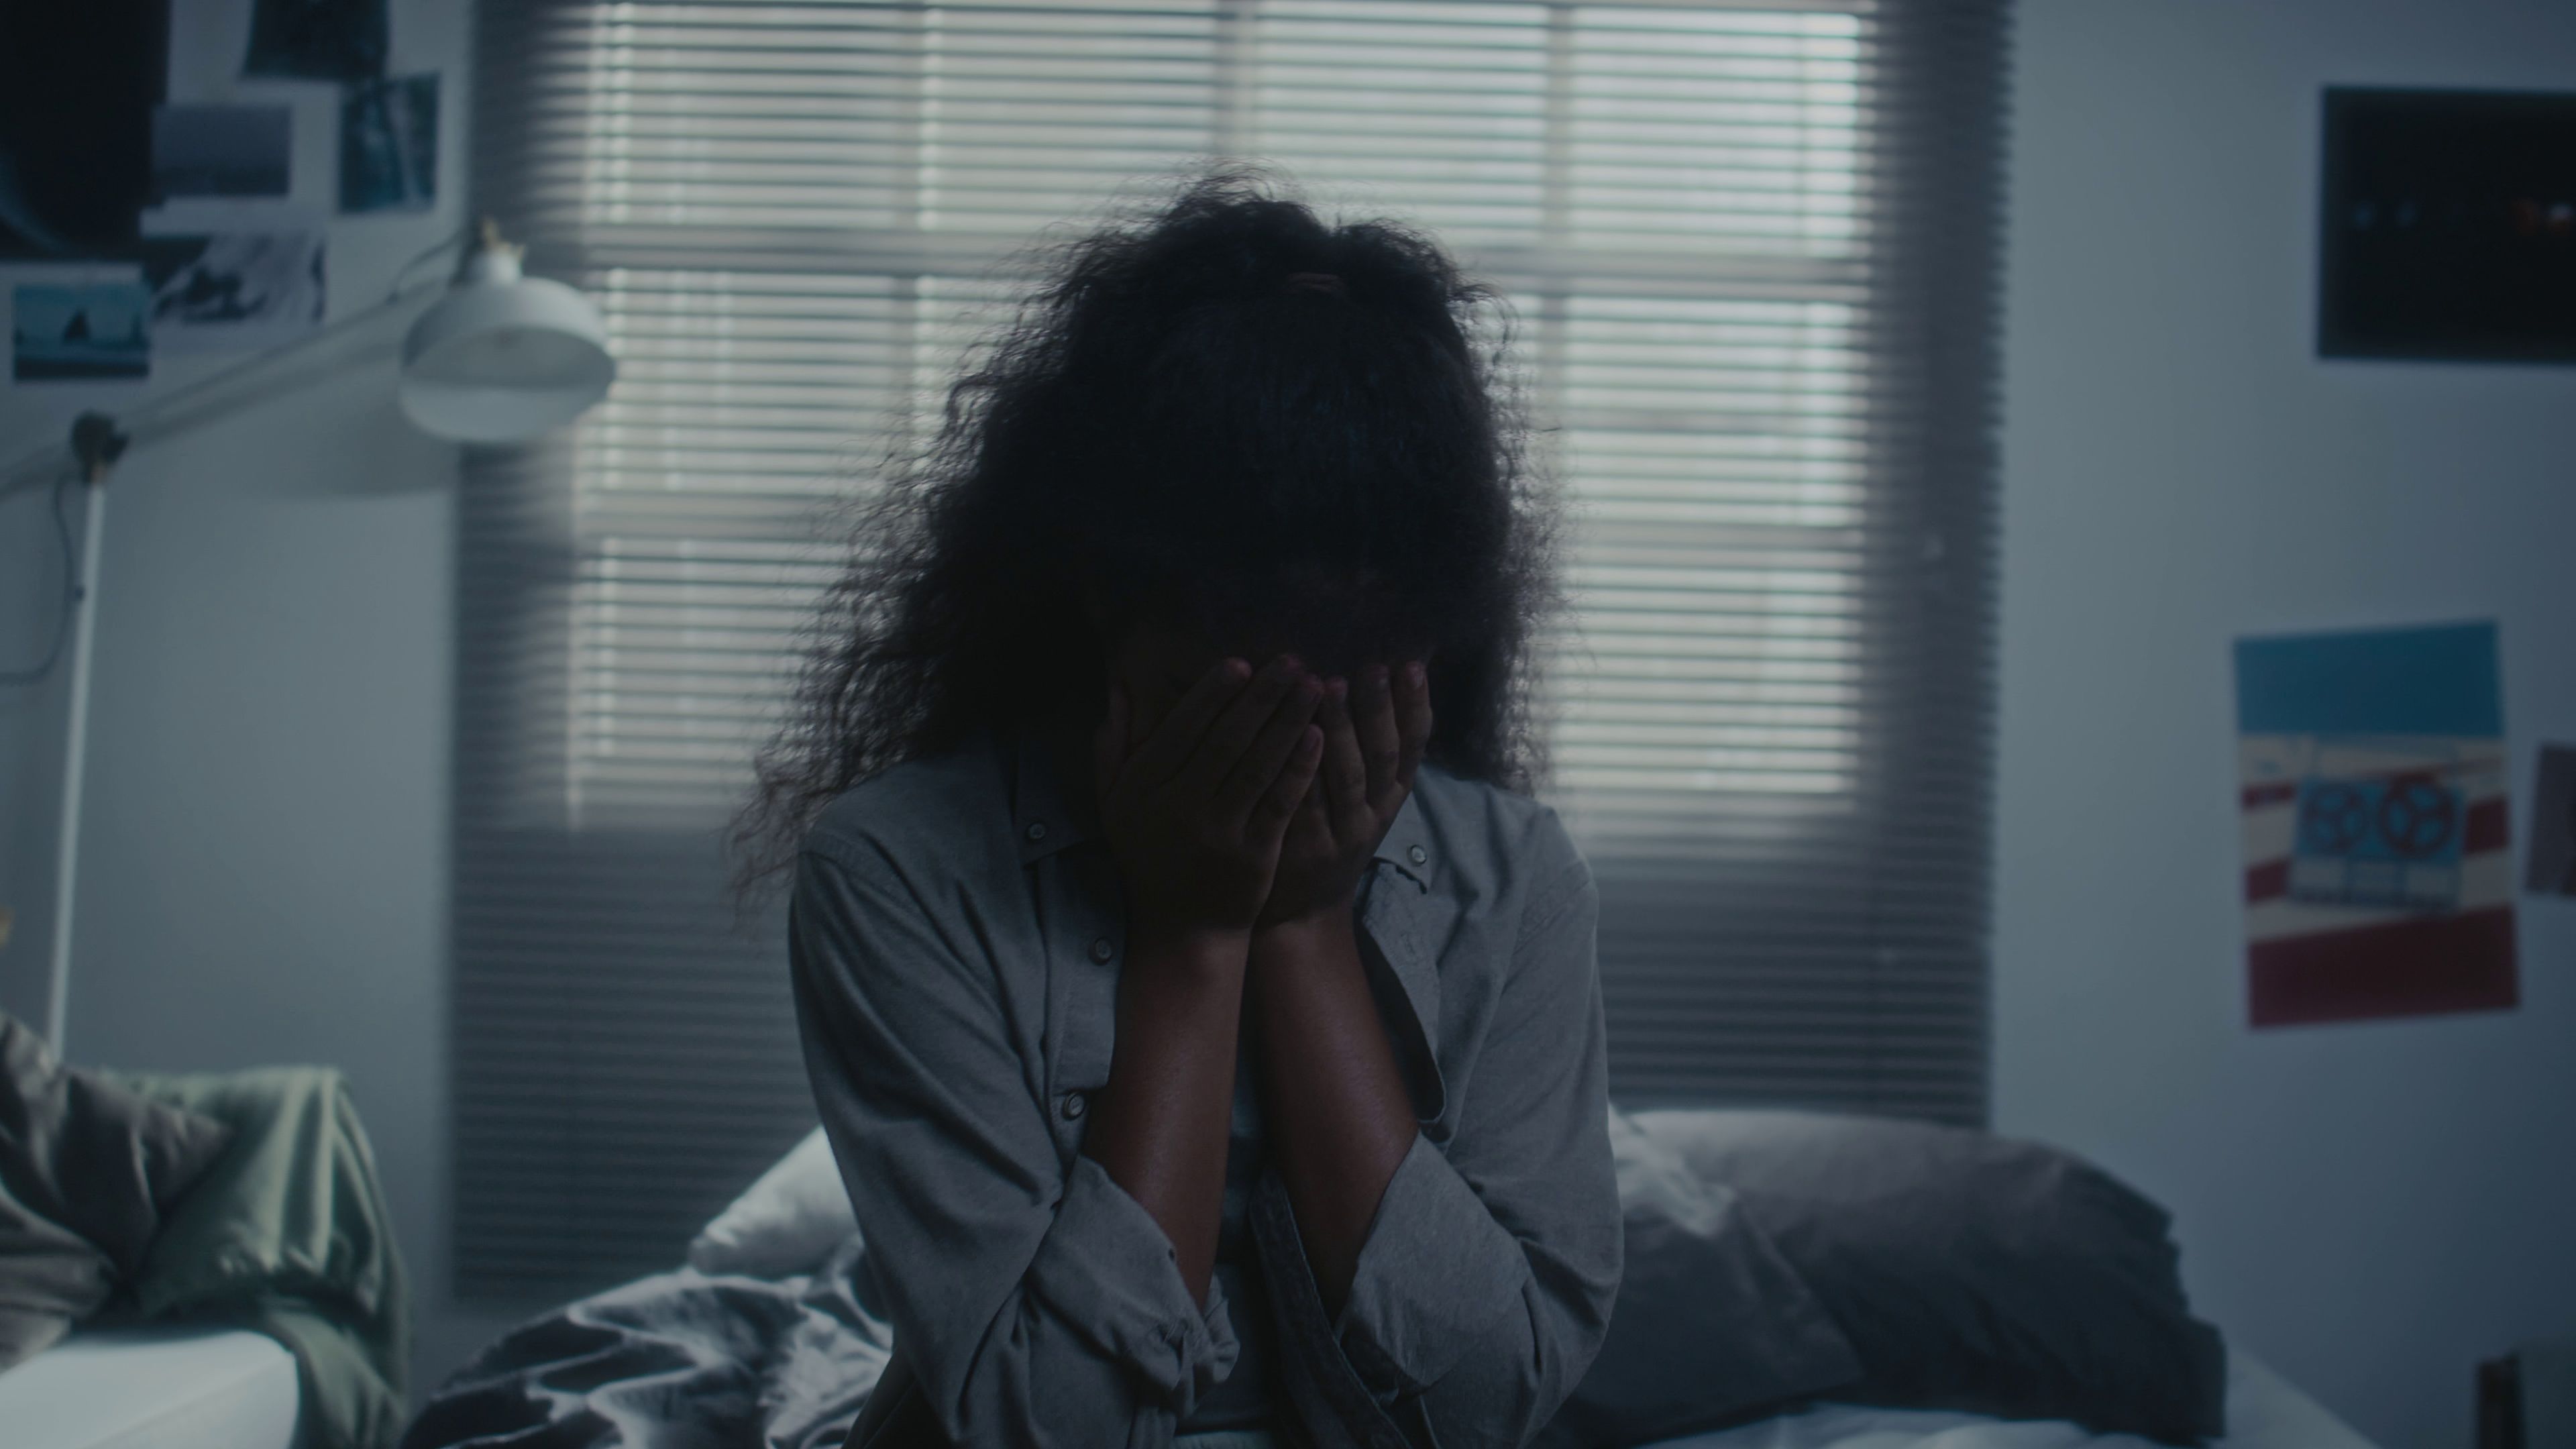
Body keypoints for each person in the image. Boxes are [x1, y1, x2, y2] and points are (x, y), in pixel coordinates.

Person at [737, 168, 1621, 1449]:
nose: (1294, 754)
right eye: (1240, 695)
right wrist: (1195, 933)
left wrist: (1304, 924)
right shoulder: (899, 868)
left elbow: (1484, 1408)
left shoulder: (1517, 879)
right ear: (1107, 603)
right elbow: (1054, 1424)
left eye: (1354, 690)